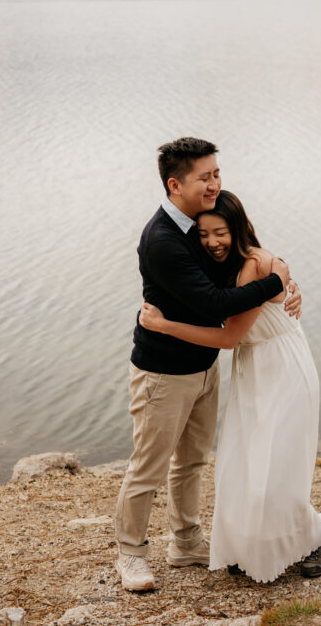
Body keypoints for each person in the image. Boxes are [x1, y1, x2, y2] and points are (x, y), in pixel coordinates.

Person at [115, 137, 301, 592]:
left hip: (205, 365)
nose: (216, 183)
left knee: (193, 461)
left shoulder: (201, 221)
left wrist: (284, 283)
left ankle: (185, 542)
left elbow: (237, 259)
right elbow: (215, 302)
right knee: (149, 466)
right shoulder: (161, 240)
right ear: (175, 184)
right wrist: (275, 281)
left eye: (217, 173)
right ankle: (131, 555)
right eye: (206, 177)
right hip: (162, 372)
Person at [139, 189, 321, 583]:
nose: (213, 242)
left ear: (239, 229)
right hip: (255, 367)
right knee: (248, 464)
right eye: (204, 234)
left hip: (281, 369)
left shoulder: (257, 266)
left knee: (275, 466)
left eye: (221, 232)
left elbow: (230, 337)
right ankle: (256, 547)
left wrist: (162, 325)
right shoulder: (226, 267)